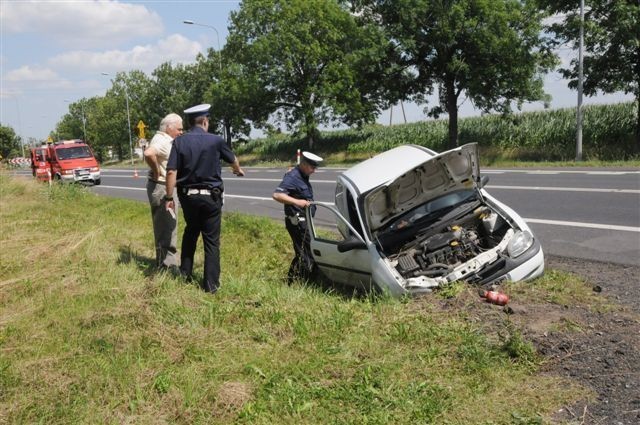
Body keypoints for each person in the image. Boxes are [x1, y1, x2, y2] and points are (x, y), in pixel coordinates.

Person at [165, 104, 245, 294]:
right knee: (211, 240)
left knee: (191, 232)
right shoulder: (216, 141)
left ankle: (185, 274)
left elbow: (171, 171)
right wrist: (237, 170)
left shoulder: (179, 142)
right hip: (211, 198)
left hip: (188, 198)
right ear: (205, 121)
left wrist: (169, 197)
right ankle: (211, 286)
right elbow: (233, 159)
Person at [272, 151, 323, 283]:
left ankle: (292, 280)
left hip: (303, 222)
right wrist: (297, 202)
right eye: (312, 167)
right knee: (306, 253)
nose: (314, 171)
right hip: (297, 223)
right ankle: (304, 282)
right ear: (304, 164)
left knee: (303, 251)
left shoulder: (301, 174)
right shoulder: (293, 177)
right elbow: (277, 195)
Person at [144, 113, 183, 269]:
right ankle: (167, 266)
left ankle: (167, 262)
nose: (181, 132)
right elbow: (148, 153)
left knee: (168, 226)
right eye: (179, 129)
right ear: (169, 127)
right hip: (161, 187)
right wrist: (156, 171)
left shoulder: (165, 139)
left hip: (163, 187)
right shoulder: (161, 139)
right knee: (167, 226)